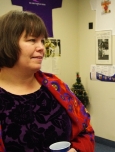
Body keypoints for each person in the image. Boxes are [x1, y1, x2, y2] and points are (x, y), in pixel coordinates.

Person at [0, 10, 95, 152]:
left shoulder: (55, 86)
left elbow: (85, 130)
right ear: (7, 43)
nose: (42, 48)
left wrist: (77, 150)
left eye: (43, 41)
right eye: (32, 40)